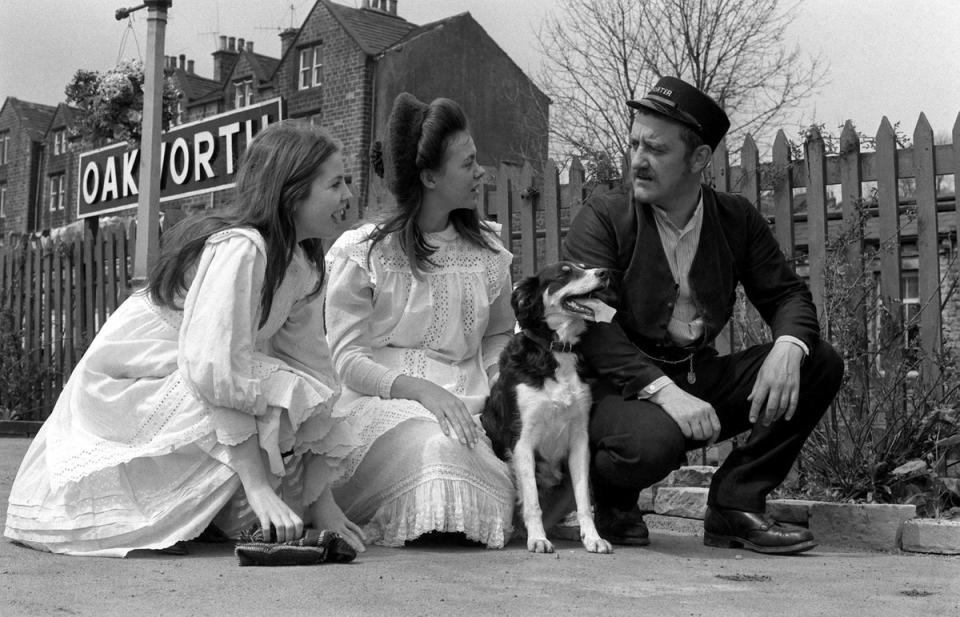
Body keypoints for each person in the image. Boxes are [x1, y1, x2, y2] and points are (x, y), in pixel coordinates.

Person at [4, 121, 366, 556]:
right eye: (336, 183)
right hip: (137, 377)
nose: (348, 195)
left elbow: (310, 370)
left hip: (200, 370)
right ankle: (163, 511)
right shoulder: (242, 248)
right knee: (264, 398)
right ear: (292, 193)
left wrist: (318, 503)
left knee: (285, 392)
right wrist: (255, 483)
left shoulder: (303, 263)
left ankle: (214, 513)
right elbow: (213, 368)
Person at [562, 76, 844, 554]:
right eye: (633, 144)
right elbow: (590, 323)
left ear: (698, 159)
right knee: (652, 442)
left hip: (697, 373)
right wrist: (665, 394)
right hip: (615, 386)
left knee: (819, 361)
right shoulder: (605, 215)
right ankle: (609, 499)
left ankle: (735, 503)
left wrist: (788, 346)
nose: (637, 160)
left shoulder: (736, 218)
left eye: (654, 149)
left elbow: (788, 296)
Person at [324, 92, 515, 548]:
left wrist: (504, 385)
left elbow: (499, 333)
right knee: (438, 449)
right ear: (430, 176)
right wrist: (424, 393)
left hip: (469, 407)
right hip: (382, 406)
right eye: (468, 163)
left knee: (460, 447)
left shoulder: (488, 251)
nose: (481, 171)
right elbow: (346, 360)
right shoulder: (365, 252)